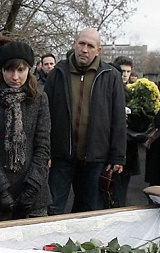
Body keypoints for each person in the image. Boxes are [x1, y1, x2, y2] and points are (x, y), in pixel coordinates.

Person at [44, 27, 126, 214]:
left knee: (90, 210)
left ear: (99, 50)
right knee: (52, 208)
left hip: (96, 158)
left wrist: (117, 155)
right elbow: (45, 115)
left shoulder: (110, 76)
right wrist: (44, 151)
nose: (84, 49)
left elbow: (118, 118)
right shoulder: (57, 73)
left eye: (90, 45)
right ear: (74, 44)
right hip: (60, 157)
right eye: (81, 43)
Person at [0, 41, 51, 222]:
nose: (15, 76)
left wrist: (32, 188)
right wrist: (1, 189)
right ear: (1, 70)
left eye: (21, 70)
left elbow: (43, 145)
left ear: (29, 70)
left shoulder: (39, 99)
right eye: (10, 70)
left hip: (33, 191)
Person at [111, 56, 139, 207]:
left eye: (128, 71)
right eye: (122, 71)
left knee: (123, 187)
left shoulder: (136, 92)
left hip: (130, 144)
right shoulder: (111, 88)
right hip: (114, 144)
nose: (125, 75)